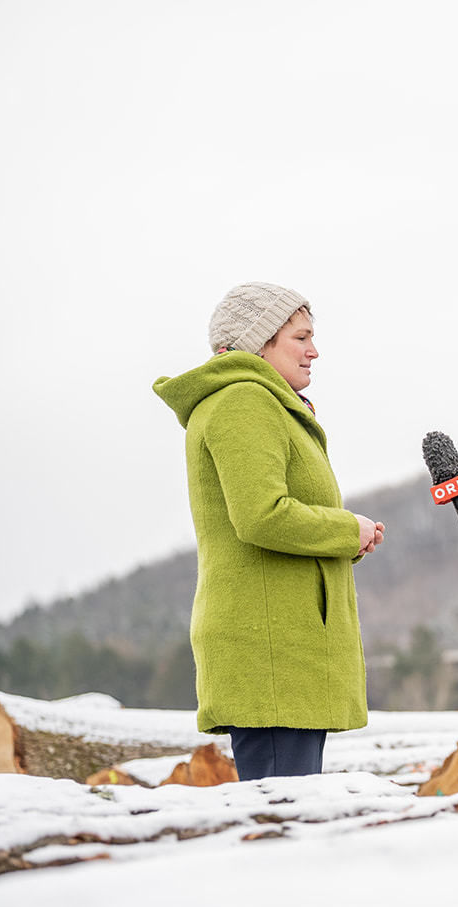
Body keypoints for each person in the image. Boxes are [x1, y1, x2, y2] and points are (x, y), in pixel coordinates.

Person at [153, 283, 384, 780]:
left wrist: (352, 538)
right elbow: (262, 515)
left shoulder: (262, 404)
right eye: (300, 337)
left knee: (289, 824)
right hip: (274, 656)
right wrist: (348, 528)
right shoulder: (243, 402)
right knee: (284, 829)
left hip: (286, 652)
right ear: (260, 343)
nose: (314, 350)